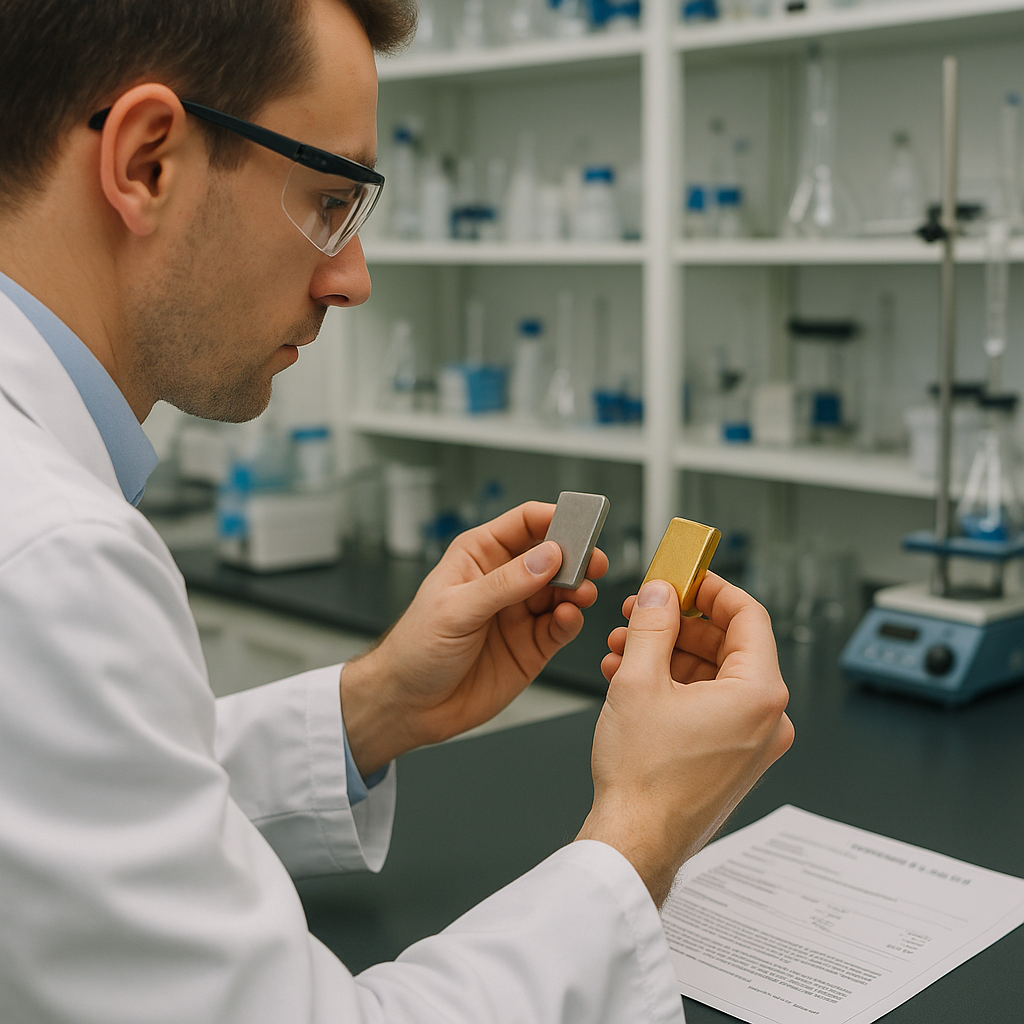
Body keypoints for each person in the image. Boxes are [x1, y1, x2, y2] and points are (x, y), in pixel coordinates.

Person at [0, 1, 794, 1021]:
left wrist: (373, 706)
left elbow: (84, 811)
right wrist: (640, 830)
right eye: (329, 202)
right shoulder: (52, 557)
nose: (351, 277)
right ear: (148, 161)